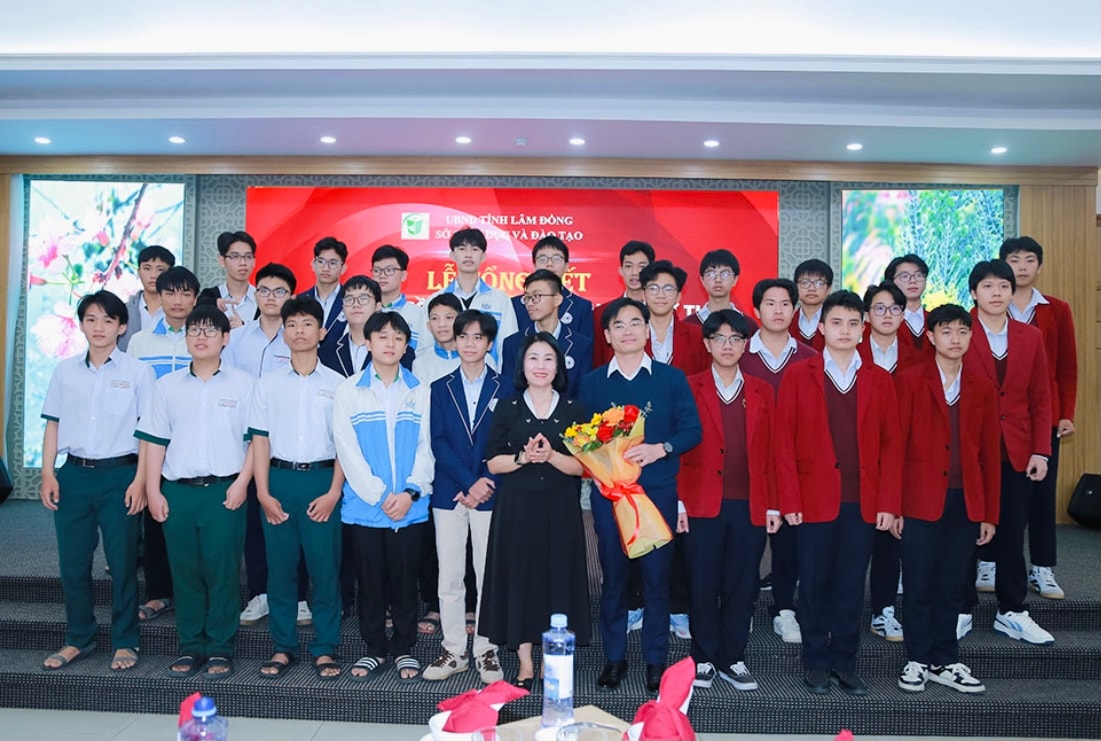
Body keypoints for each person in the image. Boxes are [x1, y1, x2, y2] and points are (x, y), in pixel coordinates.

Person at [776, 290, 901, 696]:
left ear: (863, 328)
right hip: (812, 501)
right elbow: (783, 442)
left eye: (852, 323)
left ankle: (845, 662)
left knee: (850, 585)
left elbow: (891, 446)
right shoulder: (799, 375)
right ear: (822, 327)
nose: (845, 331)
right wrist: (789, 500)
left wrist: (888, 503)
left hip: (863, 502)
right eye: (836, 323)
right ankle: (815, 661)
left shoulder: (879, 379)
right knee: (813, 584)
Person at [579, 297, 702, 694]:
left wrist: (660, 449)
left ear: (648, 330)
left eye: (635, 323)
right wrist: (599, 470)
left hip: (657, 495)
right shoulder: (593, 383)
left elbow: (692, 431)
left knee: (656, 580)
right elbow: (582, 441)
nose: (628, 331)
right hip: (611, 498)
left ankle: (654, 661)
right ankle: (614, 658)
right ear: (607, 335)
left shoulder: (671, 379)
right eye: (619, 325)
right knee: (614, 579)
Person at [137, 304, 255, 680]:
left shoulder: (244, 384)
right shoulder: (166, 387)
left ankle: (220, 647)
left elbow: (257, 443)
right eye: (194, 330)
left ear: (225, 338)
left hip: (225, 492)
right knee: (184, 571)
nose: (201, 337)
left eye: (210, 330)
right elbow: (154, 442)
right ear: (185, 338)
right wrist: (153, 490)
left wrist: (242, 483)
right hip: (178, 493)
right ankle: (191, 646)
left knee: (222, 571)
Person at [39, 290, 155, 673]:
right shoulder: (64, 371)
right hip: (73, 476)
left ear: (121, 327)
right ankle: (79, 637)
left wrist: (141, 480)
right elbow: (53, 424)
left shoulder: (138, 372)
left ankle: (125, 640)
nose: (99, 327)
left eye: (108, 320)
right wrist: (48, 472)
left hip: (120, 476)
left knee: (122, 563)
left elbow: (148, 433)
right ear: (82, 325)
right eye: (91, 319)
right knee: (73, 563)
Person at [894, 304, 1000, 695]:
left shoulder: (982, 385)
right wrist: (895, 505)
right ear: (931, 336)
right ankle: (917, 658)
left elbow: (989, 454)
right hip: (919, 501)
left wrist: (989, 512)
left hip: (965, 501)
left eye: (962, 331)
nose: (955, 339)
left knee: (953, 583)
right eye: (946, 331)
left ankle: (945, 658)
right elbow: (895, 448)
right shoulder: (909, 381)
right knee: (919, 582)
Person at [482, 332, 592, 688]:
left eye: (548, 359)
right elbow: (493, 463)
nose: (540, 366)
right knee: (521, 581)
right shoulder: (508, 407)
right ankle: (526, 664)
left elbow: (585, 467)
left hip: (560, 510)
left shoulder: (573, 409)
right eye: (533, 358)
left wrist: (553, 456)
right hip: (516, 510)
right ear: (522, 365)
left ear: (558, 366)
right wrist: (523, 457)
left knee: (557, 580)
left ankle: (551, 660)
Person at [679, 309, 780, 692]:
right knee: (702, 582)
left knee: (743, 583)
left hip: (749, 503)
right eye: (719, 338)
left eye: (735, 339)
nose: (727, 346)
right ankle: (703, 657)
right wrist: (679, 502)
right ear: (707, 344)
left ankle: (733, 657)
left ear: (745, 345)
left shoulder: (761, 390)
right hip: (701, 502)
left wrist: (773, 504)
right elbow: (678, 450)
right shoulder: (689, 387)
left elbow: (772, 452)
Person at [333, 311, 434, 683]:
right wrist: (380, 496)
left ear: (406, 346)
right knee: (370, 582)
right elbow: (347, 451)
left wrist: (409, 492)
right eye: (382, 336)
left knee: (406, 581)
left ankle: (405, 648)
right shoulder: (349, 391)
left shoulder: (419, 390)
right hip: (365, 508)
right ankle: (374, 648)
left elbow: (426, 449)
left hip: (410, 507)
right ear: (368, 342)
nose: (390, 343)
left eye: (398, 337)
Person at [249, 296, 346, 681]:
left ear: (322, 332)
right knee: (280, 569)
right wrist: (262, 492)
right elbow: (260, 441)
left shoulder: (339, 385)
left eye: (307, 324)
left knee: (325, 569)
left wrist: (334, 492)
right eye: (292, 325)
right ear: (284, 332)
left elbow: (345, 445)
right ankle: (283, 645)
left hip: (322, 482)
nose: (299, 331)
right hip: (278, 481)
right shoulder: (267, 384)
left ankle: (325, 647)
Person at [965, 259, 1054, 645]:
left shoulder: (1030, 337)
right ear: (974, 293)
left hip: (1016, 452)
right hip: (969, 454)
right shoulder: (958, 331)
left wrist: (1041, 450)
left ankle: (1012, 610)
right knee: (965, 534)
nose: (997, 293)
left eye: (1003, 286)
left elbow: (1041, 397)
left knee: (1012, 533)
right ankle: (961, 608)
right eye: (988, 286)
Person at [423, 310, 506, 685]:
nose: (470, 343)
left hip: (490, 490)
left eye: (478, 337)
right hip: (450, 492)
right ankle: (454, 649)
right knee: (450, 574)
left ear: (489, 343)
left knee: (488, 573)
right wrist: (467, 481)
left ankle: (486, 649)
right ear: (454, 342)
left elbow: (506, 441)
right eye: (463, 336)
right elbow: (438, 440)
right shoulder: (440, 388)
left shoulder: (506, 387)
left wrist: (483, 481)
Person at [740, 278, 818, 646]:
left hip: (794, 463)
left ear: (795, 309)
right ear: (756, 310)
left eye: (785, 304)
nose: (778, 310)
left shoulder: (810, 358)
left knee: (790, 542)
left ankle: (785, 608)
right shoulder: (738, 353)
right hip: (747, 462)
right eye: (770, 303)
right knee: (746, 542)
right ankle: (742, 605)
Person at [1001, 237, 1078, 600]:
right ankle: (989, 561)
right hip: (1002, 419)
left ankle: (1043, 568)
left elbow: (1067, 367)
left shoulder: (1056, 309)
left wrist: (1066, 414)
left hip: (1044, 418)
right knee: (1000, 495)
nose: (1022, 266)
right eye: (1014, 260)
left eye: (1029, 260)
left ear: (1039, 266)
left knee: (1042, 496)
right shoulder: (990, 306)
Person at [224, 262, 298, 628]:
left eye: (279, 291)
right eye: (264, 291)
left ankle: (296, 595)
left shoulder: (297, 337)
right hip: (243, 443)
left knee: (287, 519)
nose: (271, 298)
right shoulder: (237, 339)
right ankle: (259, 593)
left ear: (291, 296)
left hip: (286, 444)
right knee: (254, 521)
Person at [126, 265, 200, 623]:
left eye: (186, 294)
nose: (178, 300)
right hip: (153, 441)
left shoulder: (206, 336)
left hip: (194, 441)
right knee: (155, 519)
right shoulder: (140, 342)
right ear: (160, 295)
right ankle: (158, 593)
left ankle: (193, 594)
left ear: (196, 299)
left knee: (192, 524)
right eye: (171, 293)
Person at [860, 280, 926, 642]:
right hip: (856, 461)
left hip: (901, 460)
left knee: (890, 539)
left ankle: (883, 611)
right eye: (880, 308)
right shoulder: (849, 352)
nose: (887, 315)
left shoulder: (918, 359)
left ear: (904, 314)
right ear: (867, 315)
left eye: (895, 309)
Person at [428, 227, 517, 367]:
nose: (468, 255)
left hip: (489, 374)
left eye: (475, 249)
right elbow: (425, 347)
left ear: (483, 256)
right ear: (452, 255)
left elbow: (508, 347)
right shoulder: (436, 300)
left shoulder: (500, 300)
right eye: (462, 249)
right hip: (444, 374)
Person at [502, 270, 592, 398]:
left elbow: (582, 394)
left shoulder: (581, 345)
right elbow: (511, 392)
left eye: (537, 296)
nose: (530, 303)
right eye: (527, 297)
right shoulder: (512, 343)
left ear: (557, 299)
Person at [510, 235, 593, 346]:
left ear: (567, 266)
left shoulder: (581, 306)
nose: (549, 264)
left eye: (556, 258)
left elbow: (585, 348)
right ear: (534, 265)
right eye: (543, 259)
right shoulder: (514, 305)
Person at [639, 260, 708, 377]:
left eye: (668, 289)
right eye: (653, 288)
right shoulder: (631, 334)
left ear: (678, 296)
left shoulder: (697, 336)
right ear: (643, 294)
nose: (661, 295)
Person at [593, 240, 654, 367]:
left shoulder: (659, 313)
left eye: (642, 266)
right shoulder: (601, 314)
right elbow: (597, 360)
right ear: (621, 270)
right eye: (628, 266)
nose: (635, 272)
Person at [684, 249, 757, 333]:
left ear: (735, 279)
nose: (718, 280)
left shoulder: (749, 326)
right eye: (711, 274)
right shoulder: (688, 325)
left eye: (725, 274)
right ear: (702, 280)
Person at [197, 231, 258, 328]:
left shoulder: (263, 299)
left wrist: (243, 327)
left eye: (248, 257)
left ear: (254, 262)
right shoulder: (210, 297)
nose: (243, 262)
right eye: (235, 256)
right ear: (222, 261)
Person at [119, 245, 175, 351]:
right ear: (139, 272)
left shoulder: (180, 311)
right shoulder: (123, 312)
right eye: (147, 268)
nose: (153, 275)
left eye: (160, 269)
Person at [373, 244, 428, 352]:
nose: (382, 275)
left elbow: (425, 352)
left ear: (403, 275)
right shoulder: (364, 312)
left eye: (389, 270)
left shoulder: (419, 315)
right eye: (377, 270)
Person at [412, 293, 465, 383]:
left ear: (461, 321)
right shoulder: (420, 364)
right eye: (435, 318)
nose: (441, 324)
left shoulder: (480, 359)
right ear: (429, 326)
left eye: (448, 317)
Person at [884, 254, 932, 352]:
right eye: (905, 276)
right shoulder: (881, 321)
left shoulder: (936, 321)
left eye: (918, 275)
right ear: (891, 282)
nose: (913, 281)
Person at [299, 236, 348, 332]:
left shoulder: (350, 301)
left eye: (332, 263)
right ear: (313, 264)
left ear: (343, 268)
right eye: (321, 261)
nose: (326, 268)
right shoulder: (299, 301)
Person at [791, 259, 832, 352]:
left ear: (829, 289)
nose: (811, 288)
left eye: (819, 283)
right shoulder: (787, 321)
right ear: (796, 287)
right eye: (805, 283)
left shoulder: (835, 322)